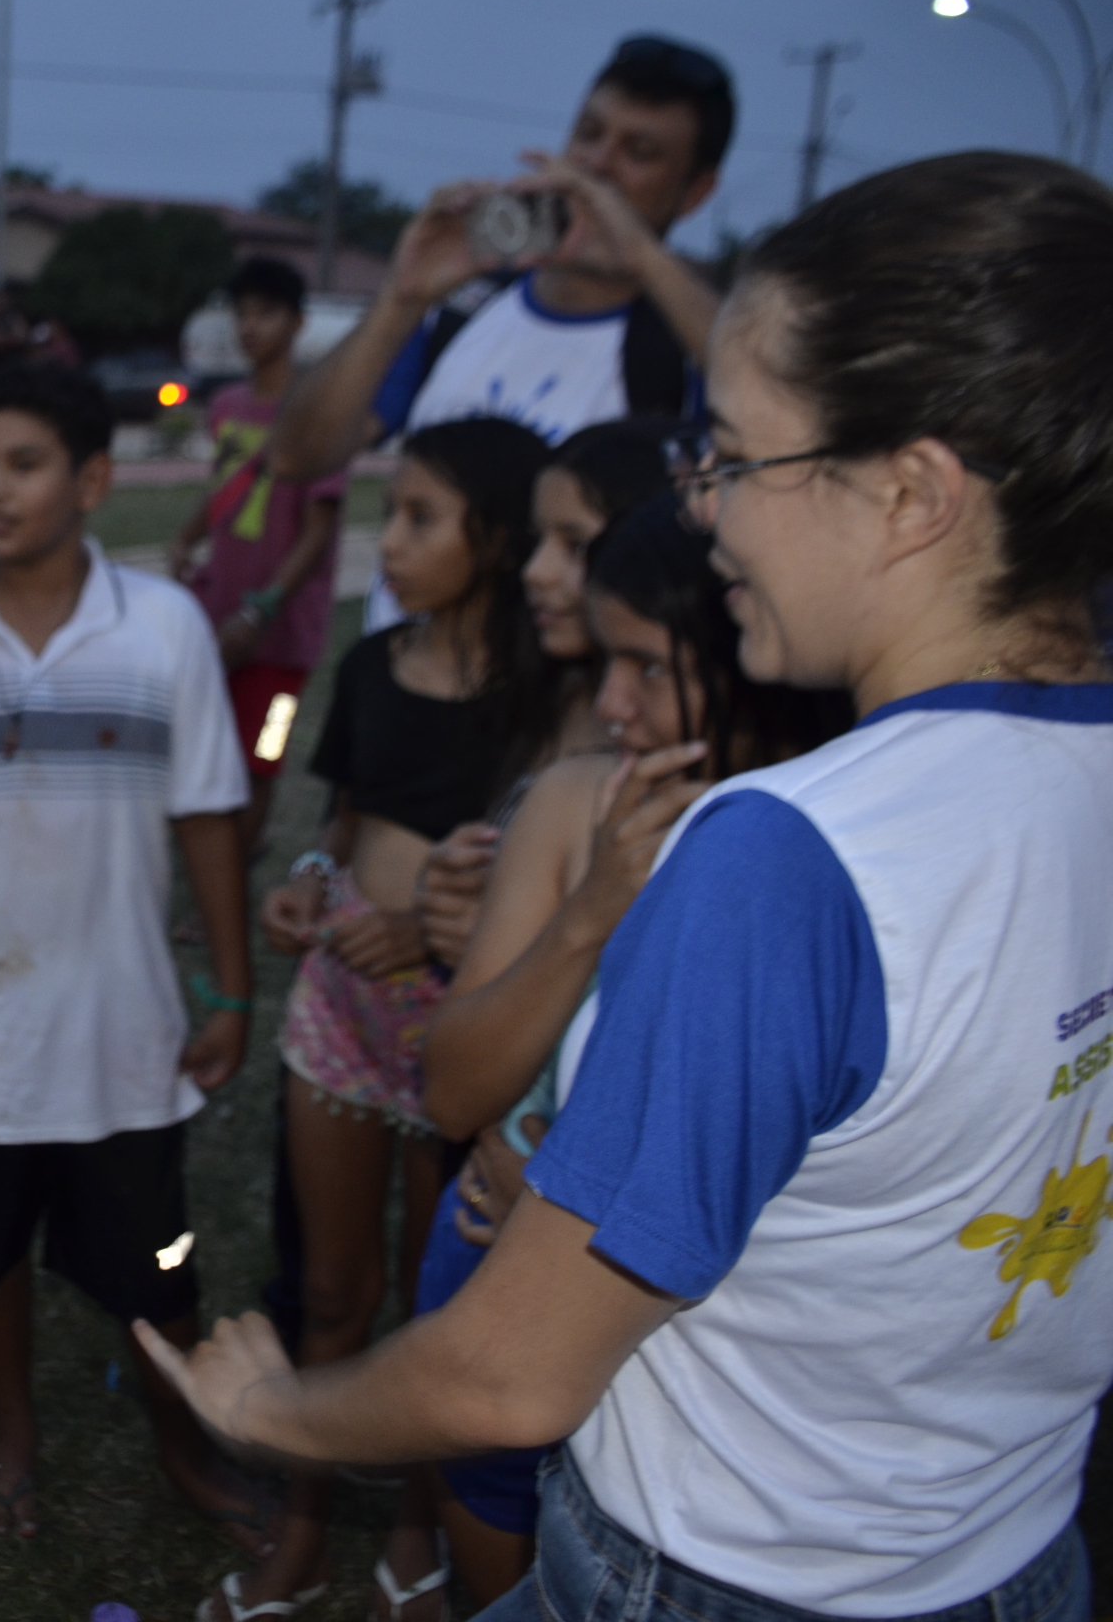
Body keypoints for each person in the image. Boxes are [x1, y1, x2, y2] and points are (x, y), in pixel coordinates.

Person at [144, 152, 1113, 1622]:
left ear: (914, 492)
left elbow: (511, 1369)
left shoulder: (793, 855)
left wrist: (273, 1411)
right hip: (1010, 1550)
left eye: (732, 458)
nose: (704, 512)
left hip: (723, 1571)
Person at [0, 364, 263, 1546]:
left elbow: (210, 815)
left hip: (123, 1028)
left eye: (24, 464)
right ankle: (9, 1431)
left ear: (93, 482)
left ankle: (185, 1436)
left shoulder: (162, 628)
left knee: (157, 1260)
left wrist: (228, 987)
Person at [409, 493, 849, 1604]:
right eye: (606, 662)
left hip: (712, 1340)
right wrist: (586, 911)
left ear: (745, 649)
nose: (610, 702)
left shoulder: (832, 837)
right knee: (503, 1546)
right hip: (492, 1262)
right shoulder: (576, 806)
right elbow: (454, 1088)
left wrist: (568, 1202)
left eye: (648, 667)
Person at [228, 417, 551, 1620]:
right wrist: (310, 883)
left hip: (471, 1029)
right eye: (389, 514)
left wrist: (425, 924)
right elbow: (341, 820)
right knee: (329, 1288)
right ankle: (303, 1529)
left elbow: (537, 884)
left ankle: (419, 1521)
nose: (390, 544)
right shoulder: (366, 670)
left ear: (499, 538)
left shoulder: (544, 705)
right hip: (342, 1014)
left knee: (443, 1297)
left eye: (421, 518)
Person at [270, 35, 734, 634]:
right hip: (406, 685)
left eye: (638, 152)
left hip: (559, 709)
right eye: (588, 134)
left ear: (695, 191)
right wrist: (402, 297)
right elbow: (294, 456)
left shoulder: (684, 349)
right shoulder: (462, 313)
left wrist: (643, 259)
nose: (595, 167)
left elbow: (777, 390)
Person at [413, 420, 681, 967]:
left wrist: (512, 945)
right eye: (537, 542)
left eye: (575, 545)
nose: (536, 571)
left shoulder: (667, 741)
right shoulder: (540, 701)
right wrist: (445, 889)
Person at [167, 257, 346, 863]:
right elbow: (228, 489)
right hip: (216, 618)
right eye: (242, 314)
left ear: (296, 323)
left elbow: (317, 531)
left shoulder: (319, 413)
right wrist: (185, 537)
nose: (250, 327)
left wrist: (263, 609)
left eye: (265, 313)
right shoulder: (227, 405)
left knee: (263, 759)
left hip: (285, 638)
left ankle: (229, 892)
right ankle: (217, 864)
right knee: (204, 754)